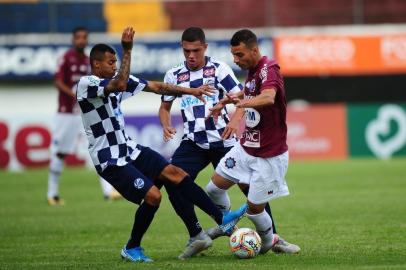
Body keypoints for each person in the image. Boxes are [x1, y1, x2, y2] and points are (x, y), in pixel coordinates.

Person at [76, 27, 248, 263]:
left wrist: (191, 91)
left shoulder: (119, 81)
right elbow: (119, 84)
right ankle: (132, 247)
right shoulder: (87, 84)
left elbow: (158, 87)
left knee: (174, 173)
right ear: (96, 65)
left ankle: (222, 220)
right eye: (110, 62)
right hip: (109, 158)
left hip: (129, 148)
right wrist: (127, 50)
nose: (114, 66)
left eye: (116, 61)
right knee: (154, 196)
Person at [159, 26, 295, 259]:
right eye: (186, 51)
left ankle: (273, 237)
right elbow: (165, 107)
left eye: (195, 50)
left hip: (225, 140)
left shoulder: (226, 69)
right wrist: (166, 124)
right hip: (193, 142)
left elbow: (252, 96)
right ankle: (202, 233)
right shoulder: (174, 74)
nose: (191, 55)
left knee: (250, 192)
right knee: (174, 180)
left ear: (205, 48)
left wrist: (234, 118)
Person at [206, 29, 301, 254]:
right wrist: (224, 102)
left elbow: (268, 97)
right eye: (233, 55)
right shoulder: (252, 72)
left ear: (254, 50)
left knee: (255, 210)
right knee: (213, 189)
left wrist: (240, 106)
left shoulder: (269, 69)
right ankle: (229, 226)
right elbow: (247, 93)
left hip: (269, 155)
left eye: (239, 55)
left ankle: (269, 242)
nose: (236, 60)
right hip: (246, 149)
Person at [47, 27, 120, 206]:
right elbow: (58, 81)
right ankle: (52, 193)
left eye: (84, 37)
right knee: (61, 152)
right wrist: (74, 95)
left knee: (100, 148)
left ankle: (108, 191)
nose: (81, 40)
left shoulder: (91, 61)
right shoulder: (66, 58)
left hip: (86, 112)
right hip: (67, 113)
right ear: (73, 39)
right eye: (78, 37)